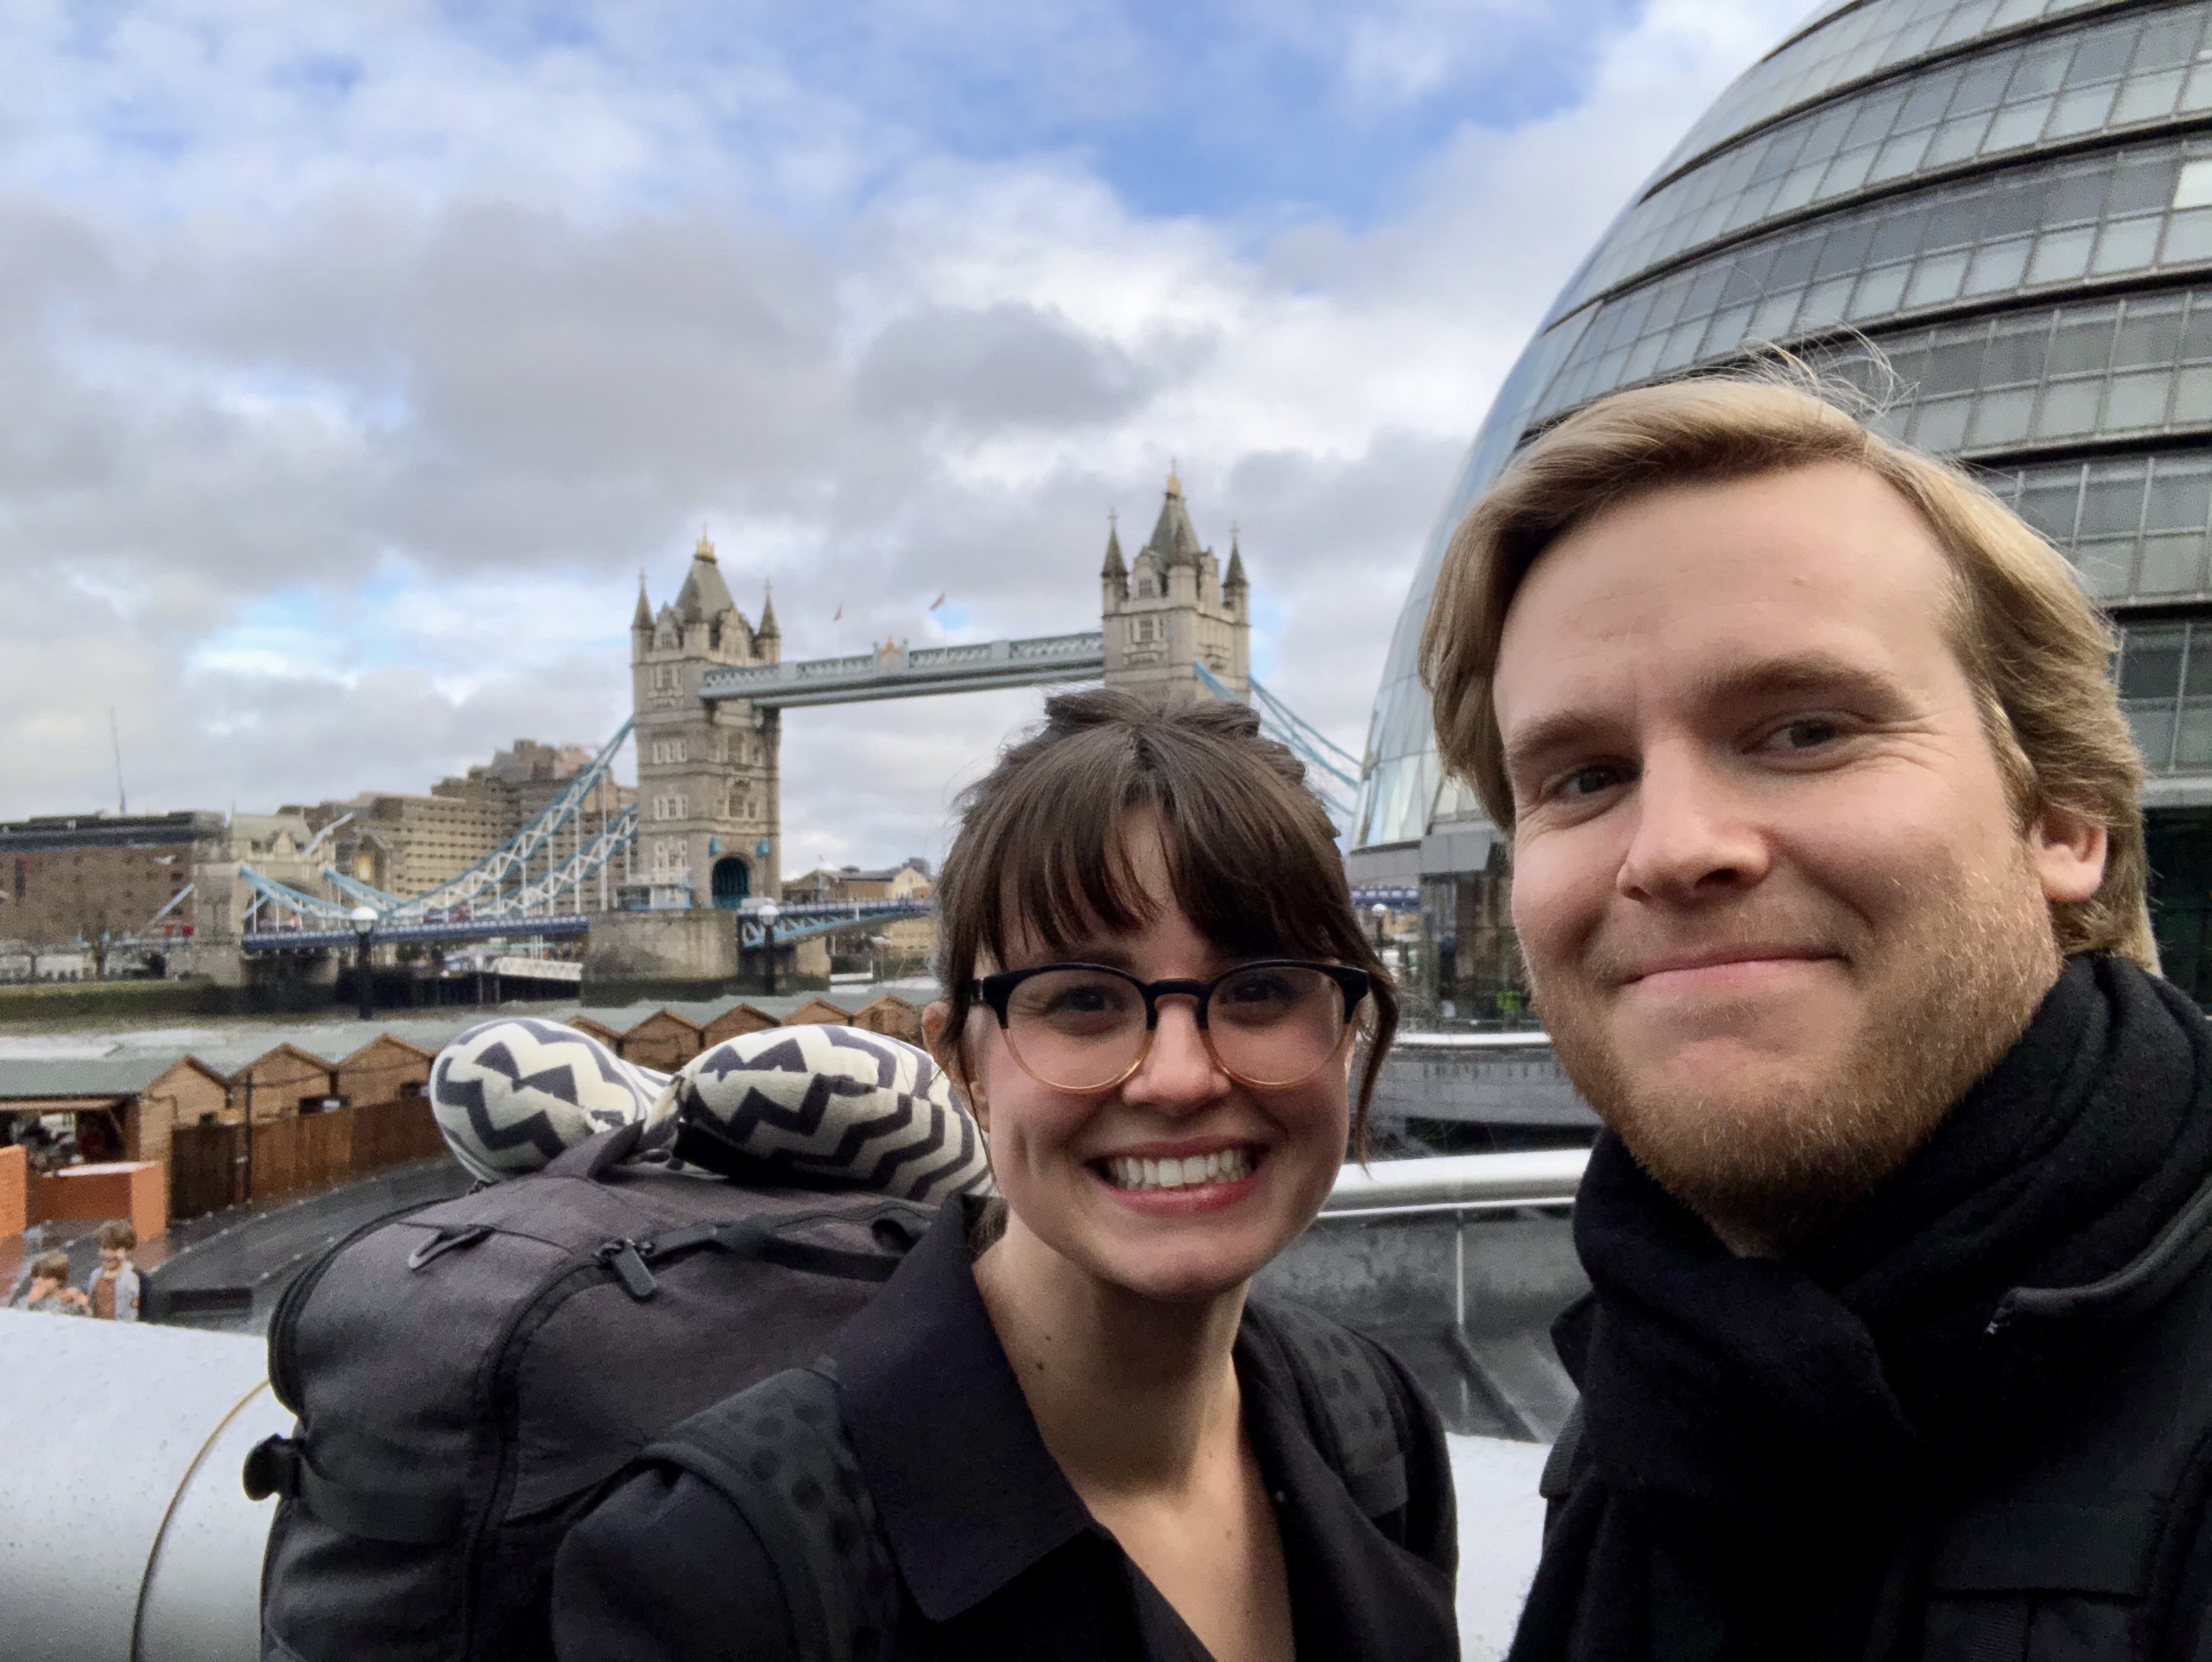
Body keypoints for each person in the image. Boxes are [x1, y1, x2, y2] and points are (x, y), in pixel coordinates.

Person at [1420, 371, 2212, 1661]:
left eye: (1802, 731)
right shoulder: (1663, 1376)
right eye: (1583, 777)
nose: (1670, 849)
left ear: (2062, 818)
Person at [554, 691, 1458, 1661]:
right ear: (965, 1068)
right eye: (1082, 1000)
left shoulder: (1376, 1423)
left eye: (1264, 988)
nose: (1180, 1077)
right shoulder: (724, 1571)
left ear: (1350, 1029)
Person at [87, 1219, 140, 1321]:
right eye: (104, 1248)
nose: (108, 1255)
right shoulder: (95, 1276)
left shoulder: (137, 1278)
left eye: (114, 1249)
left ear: (127, 1250)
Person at [9, 1250, 89, 1315]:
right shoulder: (31, 1300)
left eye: (45, 1278)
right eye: (36, 1276)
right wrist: (30, 1302)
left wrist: (82, 1304)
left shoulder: (70, 1297)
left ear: (59, 1280)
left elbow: (87, 1313)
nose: (38, 1281)